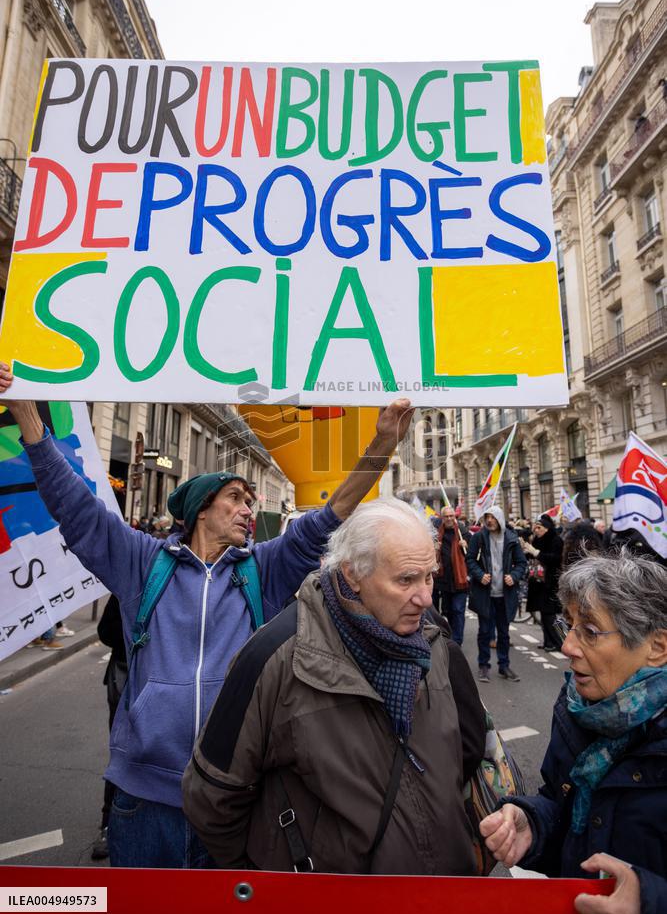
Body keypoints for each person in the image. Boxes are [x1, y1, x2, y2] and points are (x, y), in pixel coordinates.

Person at [0, 366, 413, 869]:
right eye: (236, 498)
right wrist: (25, 413)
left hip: (233, 797)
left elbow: (336, 512)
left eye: (250, 501)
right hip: (145, 802)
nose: (248, 509)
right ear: (200, 509)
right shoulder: (142, 563)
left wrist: (382, 445)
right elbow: (75, 507)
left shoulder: (265, 568)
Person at [182, 498, 486, 874]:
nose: (425, 597)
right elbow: (211, 796)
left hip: (441, 894)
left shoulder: (436, 645)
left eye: (429, 576)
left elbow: (468, 754)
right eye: (406, 579)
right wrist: (273, 884)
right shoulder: (273, 657)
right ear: (353, 574)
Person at [480, 551, 667, 914]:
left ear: (657, 647)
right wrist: (532, 824)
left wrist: (650, 906)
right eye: (570, 626)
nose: (567, 646)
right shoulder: (576, 708)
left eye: (591, 632)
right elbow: (564, 809)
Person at [466, 506, 527, 683]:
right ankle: (483, 665)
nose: (489, 520)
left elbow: (521, 563)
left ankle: (504, 665)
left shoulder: (511, 539)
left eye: (492, 517)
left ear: (499, 518)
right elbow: (469, 559)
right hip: (485, 594)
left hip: (505, 594)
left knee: (504, 632)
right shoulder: (479, 538)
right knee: (484, 631)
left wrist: (514, 576)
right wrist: (479, 575)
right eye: (487, 517)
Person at [91, 594, 127, 861]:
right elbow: (105, 631)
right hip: (125, 678)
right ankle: (108, 824)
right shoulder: (126, 588)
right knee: (121, 751)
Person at [522, 514, 564, 651]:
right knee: (543, 613)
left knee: (549, 615)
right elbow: (532, 556)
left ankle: (559, 642)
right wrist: (525, 549)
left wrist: (537, 553)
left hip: (550, 581)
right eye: (535, 527)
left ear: (546, 528)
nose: (535, 530)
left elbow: (555, 559)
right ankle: (548, 642)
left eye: (538, 527)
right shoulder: (537, 540)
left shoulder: (556, 540)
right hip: (538, 581)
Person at [433, 506, 469, 644]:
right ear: (442, 518)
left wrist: (467, 545)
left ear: (455, 517)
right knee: (448, 611)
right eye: (446, 516)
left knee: (458, 610)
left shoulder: (463, 532)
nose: (449, 519)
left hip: (460, 580)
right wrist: (434, 548)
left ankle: (457, 642)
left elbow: (473, 555)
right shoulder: (437, 534)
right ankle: (451, 637)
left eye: (451, 516)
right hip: (443, 581)